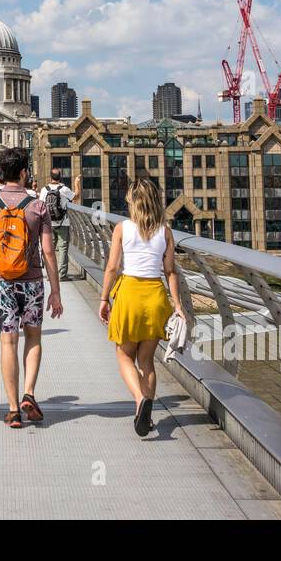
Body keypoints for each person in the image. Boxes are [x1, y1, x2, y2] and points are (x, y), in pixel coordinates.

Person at [0, 148, 62, 428]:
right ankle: (29, 394)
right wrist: (56, 291)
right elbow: (48, 252)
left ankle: (12, 409)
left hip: (1, 281)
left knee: (8, 342)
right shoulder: (38, 206)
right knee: (33, 338)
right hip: (32, 280)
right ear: (24, 172)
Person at [98, 177, 184, 436]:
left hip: (129, 295)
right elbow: (170, 272)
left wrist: (103, 299)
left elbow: (112, 267)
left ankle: (139, 400)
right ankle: (146, 417)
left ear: (133, 203)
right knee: (146, 361)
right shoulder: (165, 231)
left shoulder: (122, 228)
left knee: (124, 355)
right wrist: (177, 305)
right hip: (155, 297)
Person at [42, 168, 76, 280]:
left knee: (49, 250)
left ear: (50, 176)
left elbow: (40, 206)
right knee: (63, 249)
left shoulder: (44, 190)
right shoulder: (64, 189)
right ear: (60, 177)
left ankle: (50, 275)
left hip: (48, 224)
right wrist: (77, 184)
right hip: (63, 222)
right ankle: (61, 275)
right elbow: (76, 197)